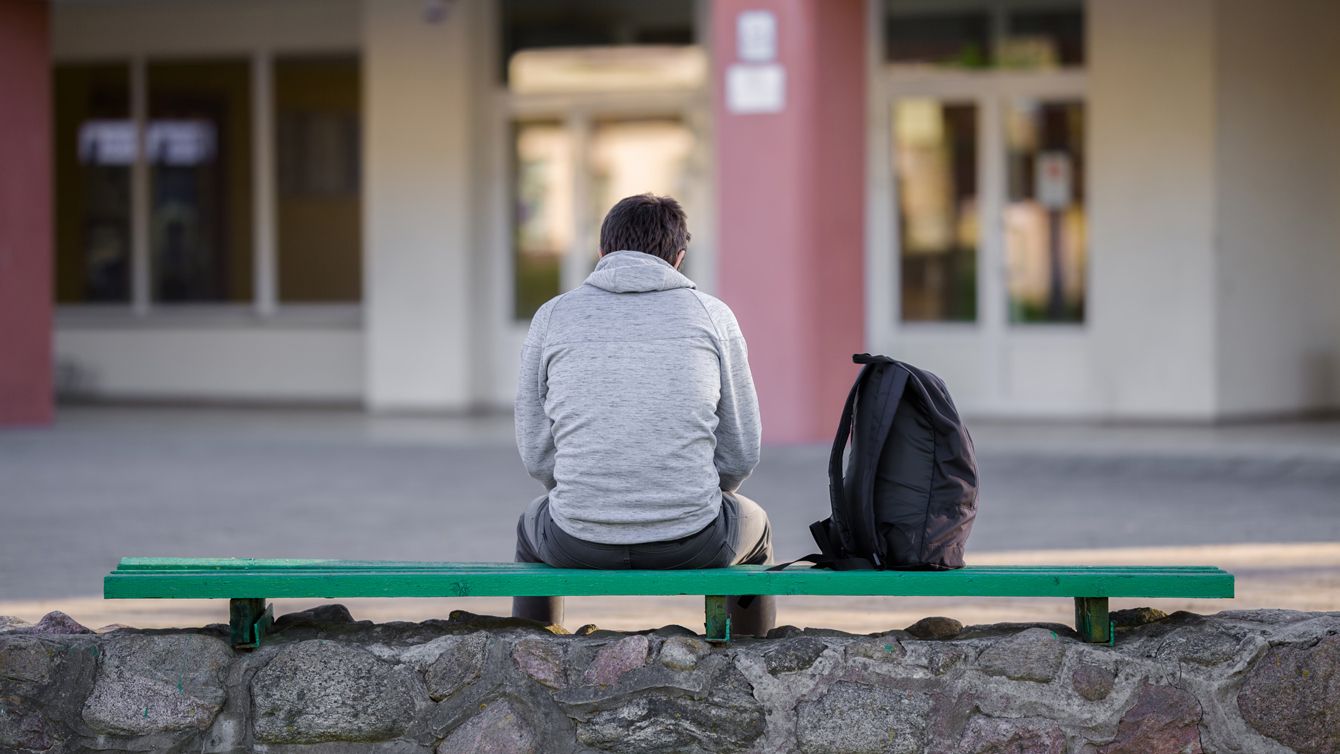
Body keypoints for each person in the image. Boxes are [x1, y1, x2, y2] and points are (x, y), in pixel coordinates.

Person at [511, 193, 775, 636]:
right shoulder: (712, 316)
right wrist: (694, 496)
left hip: (576, 540)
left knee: (530, 525)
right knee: (757, 526)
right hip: (695, 540)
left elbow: (537, 453)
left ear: (602, 252)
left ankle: (535, 655)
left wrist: (589, 496)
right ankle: (749, 657)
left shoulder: (553, 316)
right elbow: (741, 452)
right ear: (679, 257)